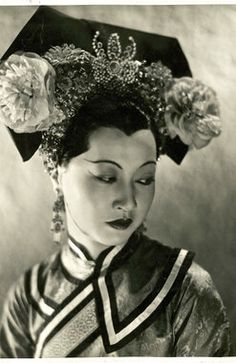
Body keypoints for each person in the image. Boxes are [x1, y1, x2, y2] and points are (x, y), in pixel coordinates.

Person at [0, 7, 232, 358]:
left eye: (145, 178)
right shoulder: (29, 297)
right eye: (107, 176)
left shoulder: (185, 290)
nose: (129, 199)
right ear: (57, 173)